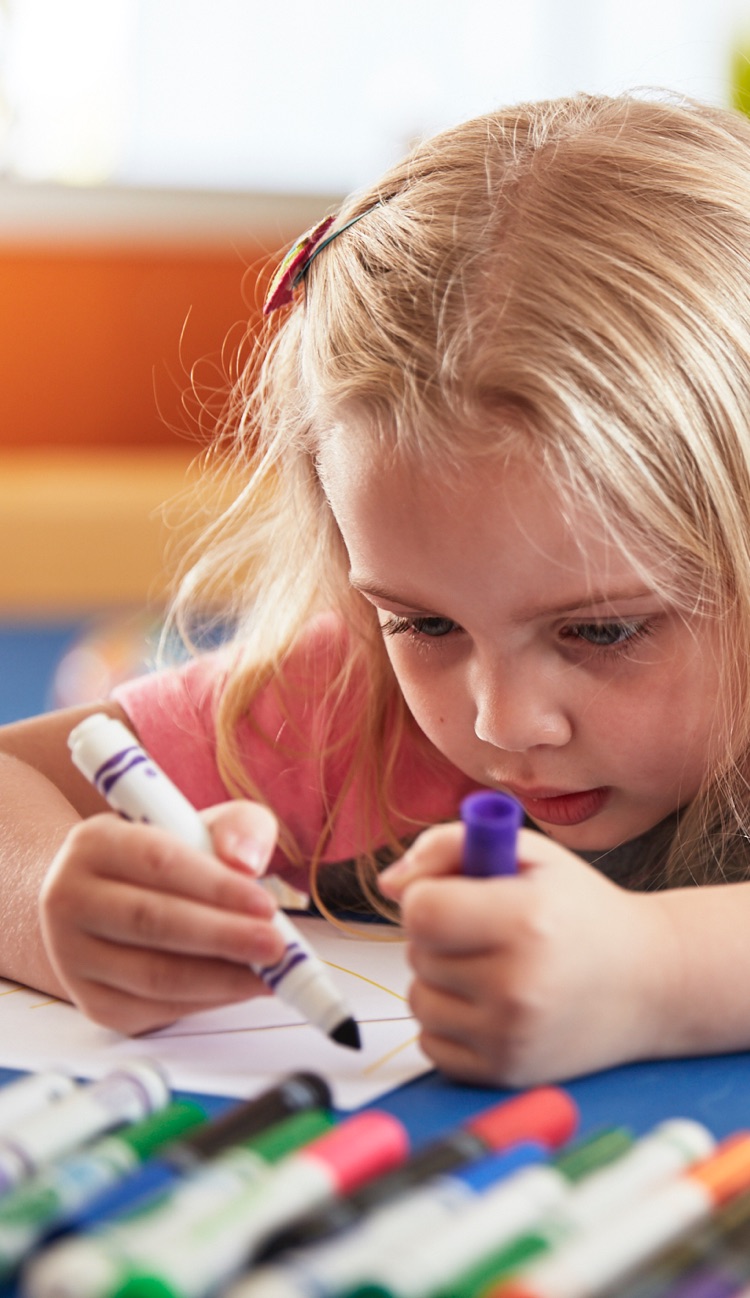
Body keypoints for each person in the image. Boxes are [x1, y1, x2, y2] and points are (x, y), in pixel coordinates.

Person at [3, 89, 750, 1089]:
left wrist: (656, 974)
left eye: (603, 630)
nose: (501, 720)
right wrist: (55, 907)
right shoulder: (355, 706)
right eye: (425, 621)